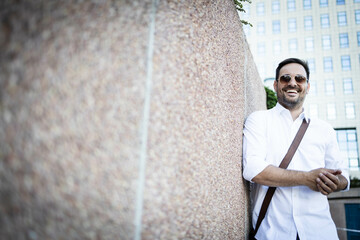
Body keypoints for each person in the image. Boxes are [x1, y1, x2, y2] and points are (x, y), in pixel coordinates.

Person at [242, 58, 349, 240]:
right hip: (272, 233)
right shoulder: (258, 120)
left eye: (299, 79)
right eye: (285, 78)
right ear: (276, 85)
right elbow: (254, 170)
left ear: (307, 87)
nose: (292, 83)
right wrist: (307, 178)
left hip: (321, 232)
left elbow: (344, 177)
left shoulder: (324, 129)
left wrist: (335, 182)